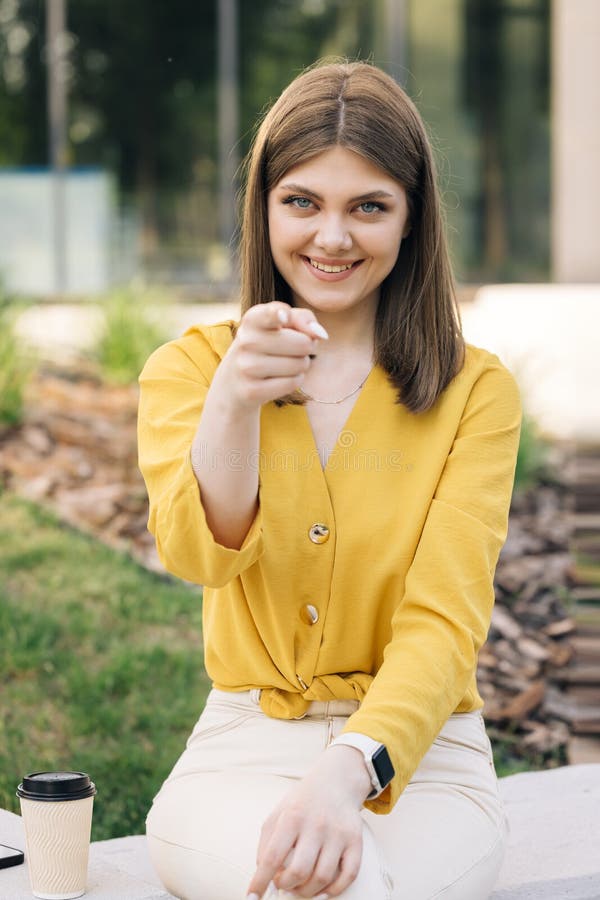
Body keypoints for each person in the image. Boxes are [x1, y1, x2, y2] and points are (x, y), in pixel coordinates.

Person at [137, 60, 521, 900]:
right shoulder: (192, 371)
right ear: (264, 207)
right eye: (302, 202)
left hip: (426, 756)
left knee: (351, 884)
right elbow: (201, 557)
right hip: (242, 747)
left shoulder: (474, 391)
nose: (332, 237)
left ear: (412, 221)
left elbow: (445, 623)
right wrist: (236, 399)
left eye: (369, 207)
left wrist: (349, 770)